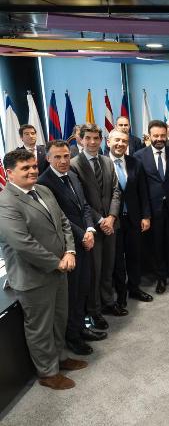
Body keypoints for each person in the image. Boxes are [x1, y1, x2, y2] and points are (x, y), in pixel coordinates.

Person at [0, 149, 86, 390]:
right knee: (40, 328)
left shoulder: (43, 190)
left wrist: (70, 252)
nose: (32, 171)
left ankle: (59, 358)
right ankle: (48, 373)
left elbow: (64, 222)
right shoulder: (5, 203)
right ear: (9, 173)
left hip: (59, 270)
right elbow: (22, 244)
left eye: (33, 166)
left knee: (59, 320)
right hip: (33, 277)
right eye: (25, 168)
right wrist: (57, 262)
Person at [38, 140, 105, 356]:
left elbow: (84, 206)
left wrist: (90, 229)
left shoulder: (73, 175)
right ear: (48, 158)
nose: (63, 161)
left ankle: (80, 327)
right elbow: (60, 217)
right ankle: (72, 337)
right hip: (67, 247)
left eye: (66, 156)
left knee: (84, 287)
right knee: (72, 293)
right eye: (57, 157)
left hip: (86, 239)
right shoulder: (44, 183)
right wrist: (82, 234)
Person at [69, 123, 122, 330]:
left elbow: (116, 191)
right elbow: (80, 199)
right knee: (94, 272)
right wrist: (101, 220)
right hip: (91, 227)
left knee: (108, 267)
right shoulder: (73, 164)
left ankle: (108, 302)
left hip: (111, 225)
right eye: (88, 138)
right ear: (80, 139)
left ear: (101, 140)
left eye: (96, 138)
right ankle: (94, 311)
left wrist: (112, 217)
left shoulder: (107, 161)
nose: (92, 142)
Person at [135, 120, 169, 294]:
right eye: (155, 135)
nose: (159, 139)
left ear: (167, 135)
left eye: (162, 135)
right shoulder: (139, 156)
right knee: (156, 245)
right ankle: (161, 278)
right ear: (149, 136)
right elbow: (140, 187)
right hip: (152, 210)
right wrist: (145, 214)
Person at [107, 129, 153, 306]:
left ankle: (134, 288)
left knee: (135, 255)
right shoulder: (102, 163)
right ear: (108, 142)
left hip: (133, 218)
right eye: (117, 140)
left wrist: (146, 216)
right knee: (117, 259)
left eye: (124, 141)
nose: (120, 144)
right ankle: (120, 293)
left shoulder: (135, 163)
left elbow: (143, 191)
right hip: (113, 221)